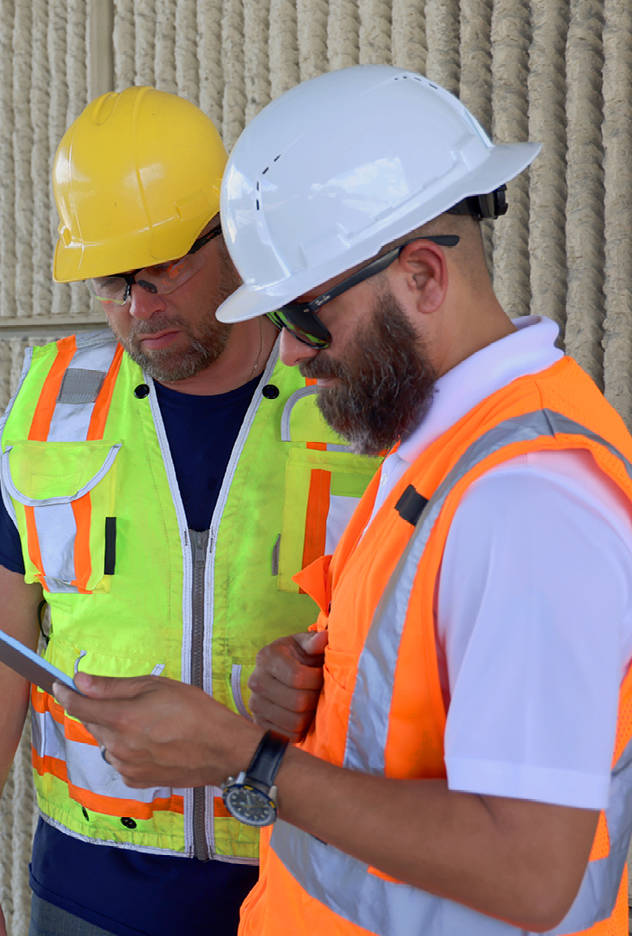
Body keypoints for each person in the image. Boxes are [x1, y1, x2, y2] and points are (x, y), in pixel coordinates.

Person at [56, 64, 632, 935]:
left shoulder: (526, 504)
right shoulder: (437, 451)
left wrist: (244, 758)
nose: (290, 357)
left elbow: (529, 872)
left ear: (424, 277)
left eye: (307, 318)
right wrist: (314, 694)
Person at [0, 87, 380, 936]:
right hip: (87, 889)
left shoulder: (348, 399)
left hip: (312, 882)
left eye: (163, 267)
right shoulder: (56, 404)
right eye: (113, 281)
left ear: (235, 240)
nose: (138, 306)